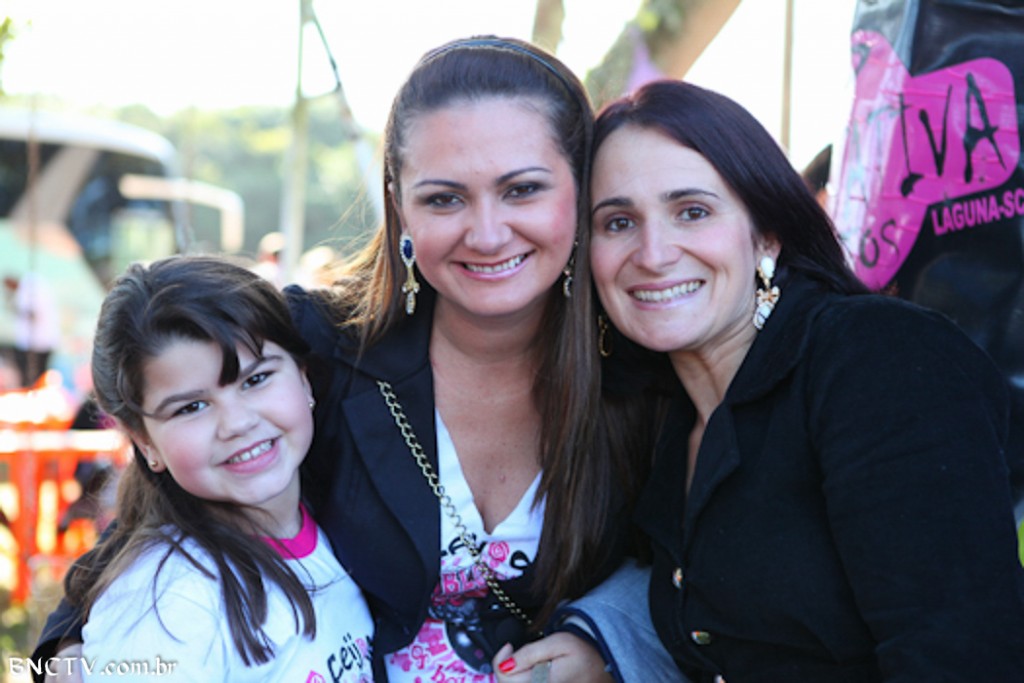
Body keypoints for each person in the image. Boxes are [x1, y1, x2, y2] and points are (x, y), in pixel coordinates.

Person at [36, 37, 650, 683]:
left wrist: (605, 637)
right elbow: (139, 552)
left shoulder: (643, 362)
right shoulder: (315, 343)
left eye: (522, 190)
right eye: (444, 199)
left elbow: (684, 560)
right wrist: (75, 658)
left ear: (581, 188)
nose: (488, 233)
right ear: (399, 204)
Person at [587, 80, 1024, 681]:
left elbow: (961, 652)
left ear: (767, 232)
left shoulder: (875, 357)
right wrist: (596, 641)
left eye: (692, 211)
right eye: (618, 222)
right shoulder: (664, 417)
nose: (653, 253)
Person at [65, 255, 373, 682]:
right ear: (144, 441)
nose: (237, 423)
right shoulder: (168, 605)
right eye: (191, 407)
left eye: (256, 380)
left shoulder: (336, 524)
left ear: (304, 377)